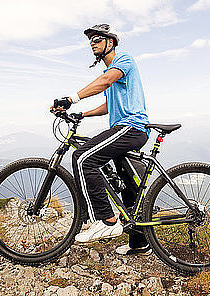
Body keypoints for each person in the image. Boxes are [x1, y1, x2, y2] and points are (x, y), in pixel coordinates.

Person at [51, 23, 151, 255]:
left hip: (131, 127)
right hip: (124, 128)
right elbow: (108, 105)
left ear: (111, 42)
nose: (93, 44)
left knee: (83, 158)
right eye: (91, 41)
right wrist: (81, 114)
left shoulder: (124, 60)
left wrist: (71, 99)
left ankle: (106, 221)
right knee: (127, 186)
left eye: (98, 39)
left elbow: (104, 82)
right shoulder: (112, 74)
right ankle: (140, 243)